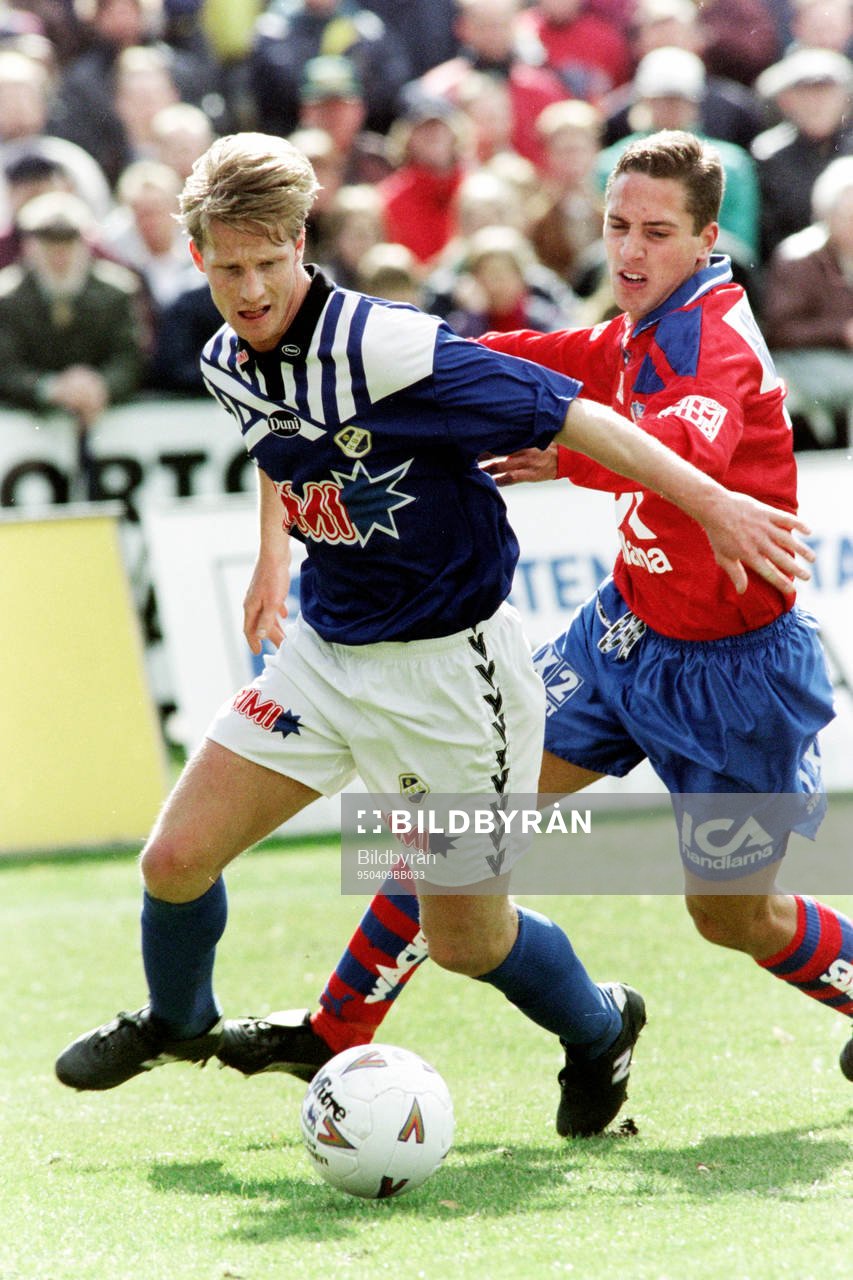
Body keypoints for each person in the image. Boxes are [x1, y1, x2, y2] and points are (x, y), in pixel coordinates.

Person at [53, 131, 812, 1140]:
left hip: (456, 682)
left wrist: (714, 506)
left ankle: (598, 1029)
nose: (248, 288)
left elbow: (582, 415)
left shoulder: (386, 345)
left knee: (471, 936)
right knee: (174, 858)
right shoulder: (226, 356)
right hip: (327, 659)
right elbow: (283, 439)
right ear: (197, 260)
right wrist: (272, 551)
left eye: (266, 263)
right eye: (227, 268)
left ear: (299, 244)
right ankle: (178, 1019)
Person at [0, 188, 144, 426]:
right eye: (49, 246)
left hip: (103, 421)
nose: (59, 256)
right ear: (31, 247)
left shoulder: (116, 292)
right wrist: (50, 388)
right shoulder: (8, 297)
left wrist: (101, 386)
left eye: (68, 244)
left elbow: (130, 357)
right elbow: (5, 367)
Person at [762, 154, 853, 448]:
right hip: (805, 361)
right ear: (828, 215)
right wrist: (841, 331)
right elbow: (780, 331)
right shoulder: (798, 257)